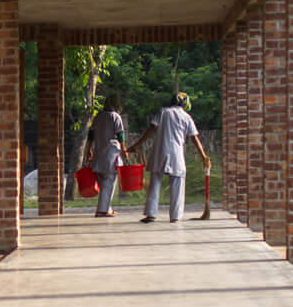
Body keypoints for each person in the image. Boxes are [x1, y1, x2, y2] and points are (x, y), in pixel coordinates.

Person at [129, 90, 209, 223]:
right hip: (176, 153)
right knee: (177, 183)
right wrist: (204, 156)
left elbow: (151, 130)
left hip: (160, 151)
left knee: (155, 182)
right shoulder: (186, 116)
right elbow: (195, 139)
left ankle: (150, 214)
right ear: (185, 103)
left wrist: (137, 145)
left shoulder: (163, 112)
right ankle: (175, 216)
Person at [85, 102, 128, 217]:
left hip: (98, 154)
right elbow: (120, 135)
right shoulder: (115, 116)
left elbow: (90, 135)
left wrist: (88, 149)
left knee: (103, 183)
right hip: (111, 154)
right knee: (109, 182)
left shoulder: (98, 116)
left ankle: (107, 208)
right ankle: (102, 210)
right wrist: (124, 150)